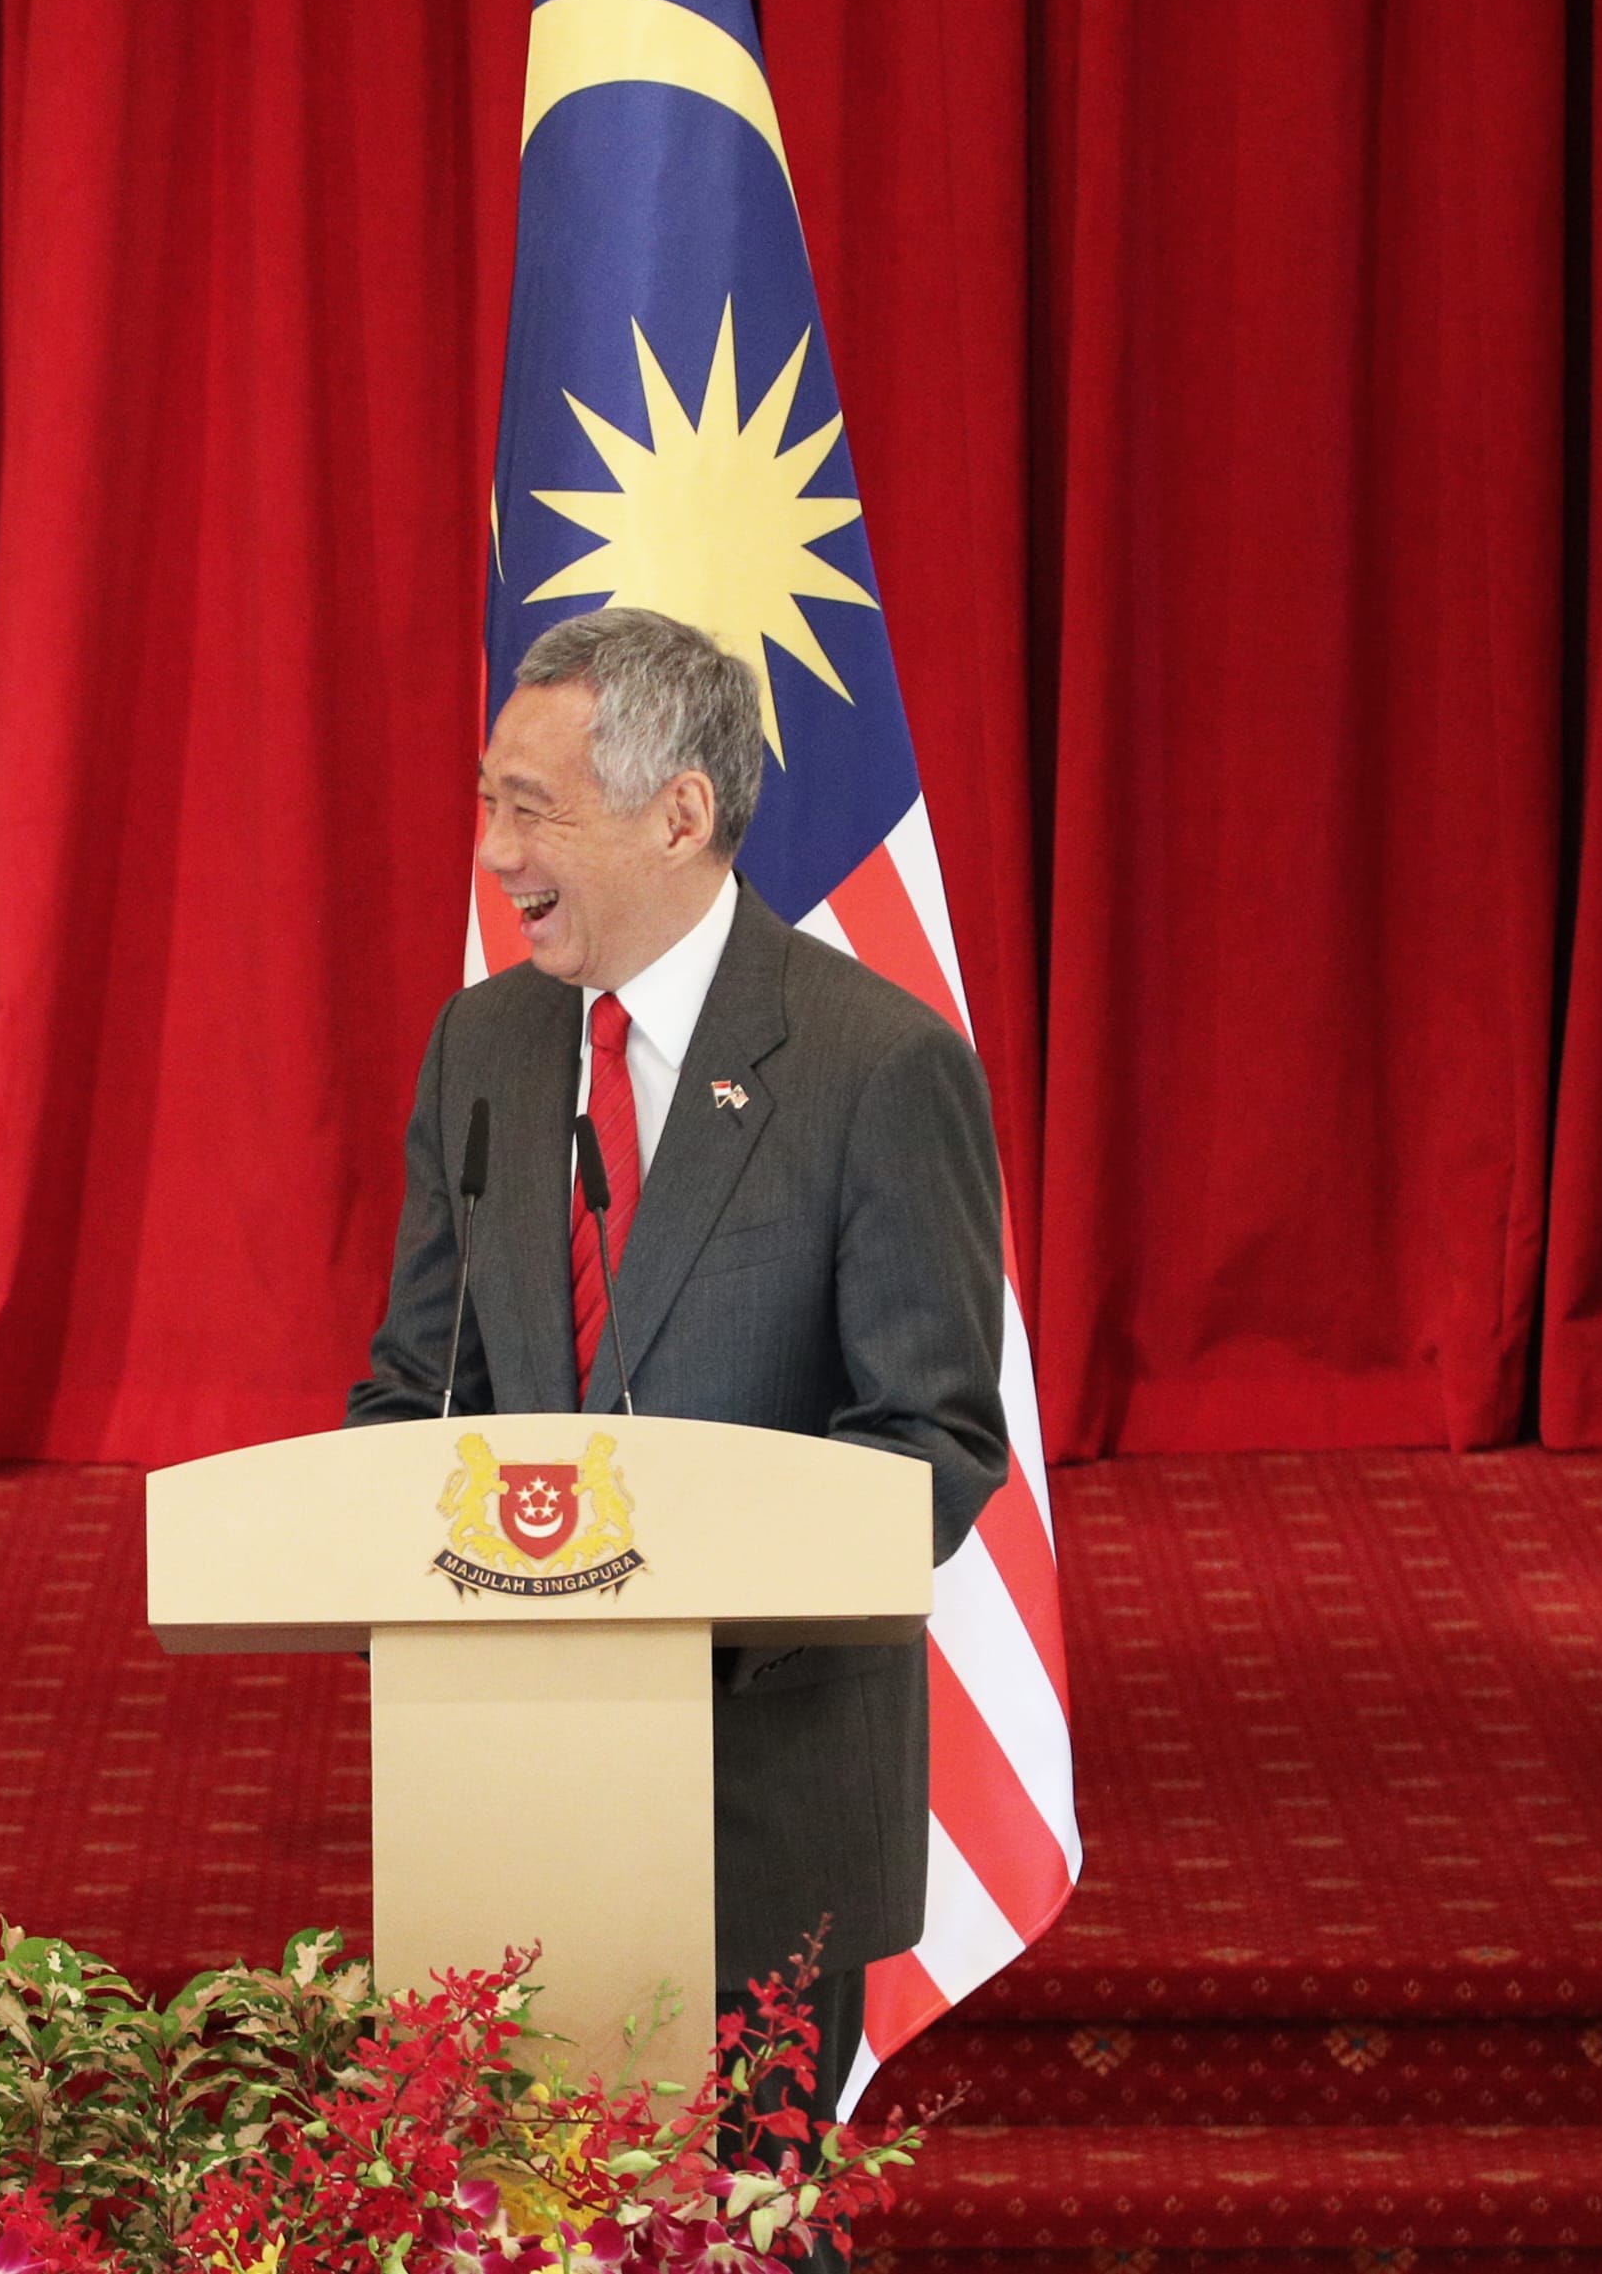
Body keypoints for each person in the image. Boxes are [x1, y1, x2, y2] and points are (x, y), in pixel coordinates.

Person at [348, 605, 1008, 2118]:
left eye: (533, 807)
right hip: (509, 1781)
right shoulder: (484, 1049)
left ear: (680, 812)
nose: (496, 851)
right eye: (488, 800)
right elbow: (409, 1385)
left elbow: (929, 1438)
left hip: (758, 1794)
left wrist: (674, 1624)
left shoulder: (875, 1067)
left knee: (737, 2223)